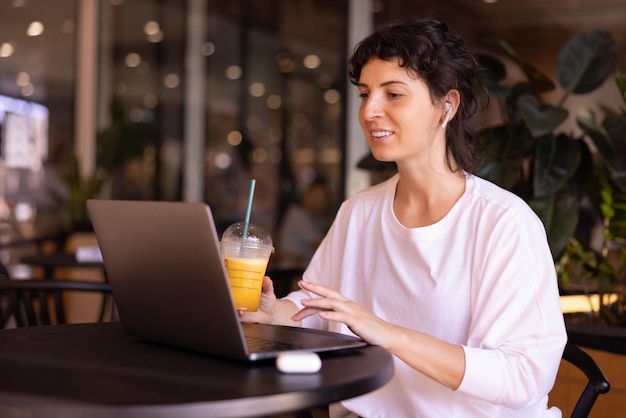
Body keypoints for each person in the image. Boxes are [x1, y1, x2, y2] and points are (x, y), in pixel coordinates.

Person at [242, 16, 567, 417]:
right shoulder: (359, 212)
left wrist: (388, 333)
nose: (369, 111)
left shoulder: (503, 224)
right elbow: (316, 308)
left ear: (446, 106)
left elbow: (524, 376)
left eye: (393, 94)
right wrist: (273, 312)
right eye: (365, 94)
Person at [276, 178, 331, 269]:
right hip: (291, 272)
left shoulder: (317, 219)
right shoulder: (297, 214)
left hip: (303, 271)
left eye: (324, 198)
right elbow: (318, 243)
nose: (319, 202)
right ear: (306, 195)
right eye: (316, 196)